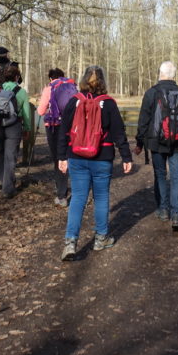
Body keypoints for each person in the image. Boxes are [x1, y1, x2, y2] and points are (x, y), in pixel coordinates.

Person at [57, 65, 133, 261]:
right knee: (101, 198)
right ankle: (101, 238)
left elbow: (63, 131)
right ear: (102, 81)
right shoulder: (108, 104)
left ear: (83, 80)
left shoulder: (74, 102)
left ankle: (70, 242)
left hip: (76, 158)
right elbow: (119, 132)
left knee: (78, 198)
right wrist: (126, 156)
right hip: (102, 158)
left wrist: (62, 156)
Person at [134, 61, 178, 232]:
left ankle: (163, 210)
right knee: (177, 177)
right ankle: (177, 215)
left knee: (160, 175)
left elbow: (143, 121)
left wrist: (140, 142)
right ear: (173, 75)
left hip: (156, 142)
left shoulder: (151, 93)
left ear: (160, 73)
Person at [0, 65, 32, 199]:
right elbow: (26, 113)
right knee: (10, 157)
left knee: (0, 153)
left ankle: (1, 180)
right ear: (17, 77)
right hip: (13, 127)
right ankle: (7, 189)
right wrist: (27, 129)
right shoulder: (21, 92)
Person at [37, 68, 77, 207]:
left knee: (59, 159)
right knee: (71, 156)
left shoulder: (49, 88)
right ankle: (78, 191)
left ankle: (62, 195)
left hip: (55, 126)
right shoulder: (72, 86)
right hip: (72, 126)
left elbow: (41, 110)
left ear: (50, 78)